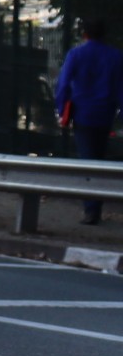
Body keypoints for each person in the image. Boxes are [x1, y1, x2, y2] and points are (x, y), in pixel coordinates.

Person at [54, 17, 123, 224]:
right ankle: (96, 206)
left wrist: (61, 110)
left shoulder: (76, 54)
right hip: (105, 113)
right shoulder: (116, 56)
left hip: (82, 113)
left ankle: (91, 209)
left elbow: (64, 84)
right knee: (99, 158)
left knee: (87, 159)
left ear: (84, 34)